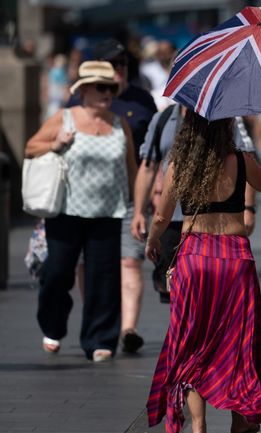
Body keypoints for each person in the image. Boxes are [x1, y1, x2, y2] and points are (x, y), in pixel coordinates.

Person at [145, 112, 261, 433]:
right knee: (238, 344)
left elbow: (161, 216)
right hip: (234, 260)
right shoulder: (241, 161)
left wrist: (152, 241)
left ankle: (198, 424)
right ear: (226, 127)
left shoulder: (180, 165)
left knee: (191, 343)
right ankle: (239, 421)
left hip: (193, 260)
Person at [25, 61, 137, 362]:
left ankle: (100, 338)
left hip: (108, 212)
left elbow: (131, 170)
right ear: (84, 90)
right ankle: (52, 326)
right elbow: (30, 147)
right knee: (57, 273)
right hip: (66, 210)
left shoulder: (118, 124)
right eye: (101, 87)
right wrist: (56, 142)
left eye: (111, 87)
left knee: (104, 277)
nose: (107, 93)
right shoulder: (64, 118)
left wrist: (139, 208)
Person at [67, 38, 157, 353]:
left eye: (124, 64)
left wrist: (152, 192)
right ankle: (96, 316)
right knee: (87, 264)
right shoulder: (78, 103)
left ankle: (128, 327)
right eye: (113, 64)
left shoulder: (143, 100)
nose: (120, 70)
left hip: (131, 194)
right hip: (85, 198)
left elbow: (152, 154)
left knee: (130, 261)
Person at [130, 105, 258, 303]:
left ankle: (187, 327)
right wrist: (138, 211)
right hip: (176, 222)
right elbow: (148, 167)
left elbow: (245, 158)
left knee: (190, 294)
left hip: (201, 228)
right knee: (176, 291)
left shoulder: (226, 115)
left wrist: (249, 208)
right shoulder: (162, 119)